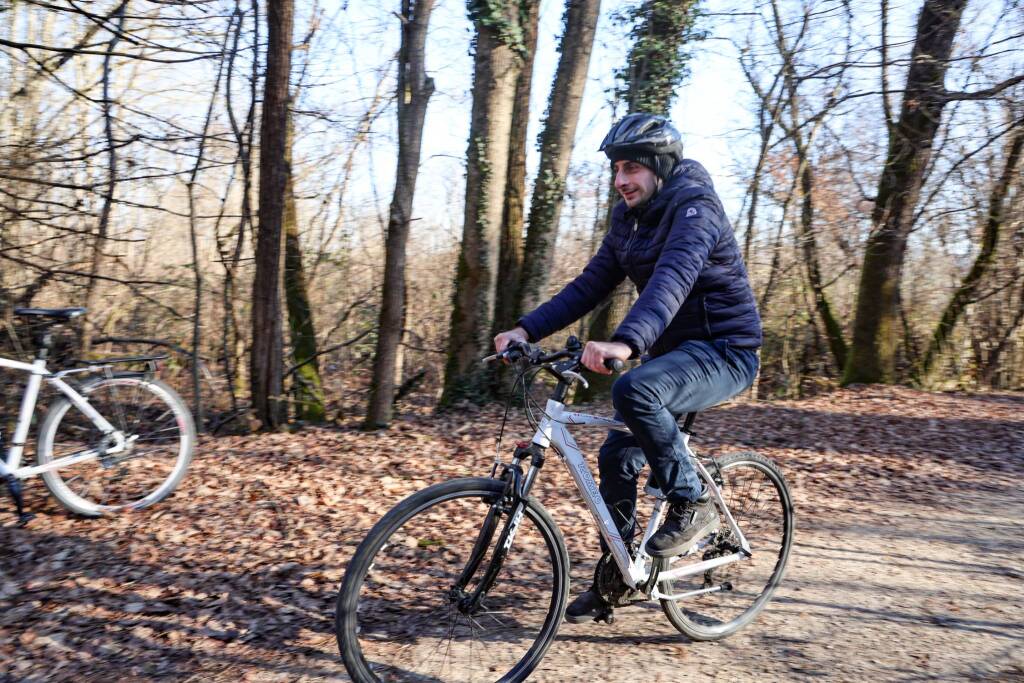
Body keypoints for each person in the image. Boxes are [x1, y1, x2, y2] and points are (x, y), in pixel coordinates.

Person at [493, 113, 762, 623]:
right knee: (616, 455)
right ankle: (619, 575)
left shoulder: (695, 209)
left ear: (660, 168)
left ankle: (692, 502)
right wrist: (526, 329)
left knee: (635, 390)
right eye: (616, 169)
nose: (620, 180)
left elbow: (672, 279)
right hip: (674, 357)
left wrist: (625, 342)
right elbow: (590, 284)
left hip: (725, 350)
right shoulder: (629, 219)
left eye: (631, 168)